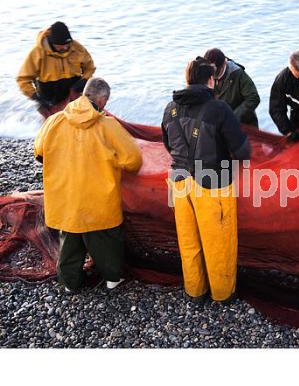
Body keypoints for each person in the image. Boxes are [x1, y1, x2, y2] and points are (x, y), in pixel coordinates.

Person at [34, 77, 142, 292]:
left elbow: (39, 152)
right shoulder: (108, 126)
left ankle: (70, 283)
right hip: (98, 201)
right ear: (102, 101)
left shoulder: (54, 121)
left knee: (69, 241)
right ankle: (112, 278)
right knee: (107, 240)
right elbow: (133, 161)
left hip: (65, 199)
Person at [161, 57, 251, 304]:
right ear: (210, 80)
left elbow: (168, 144)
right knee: (218, 243)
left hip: (179, 182)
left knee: (189, 242)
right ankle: (222, 295)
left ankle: (196, 292)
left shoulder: (170, 108)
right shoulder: (218, 109)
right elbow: (242, 150)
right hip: (212, 184)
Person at [17, 21, 96, 112]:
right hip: (49, 98)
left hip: (74, 93)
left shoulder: (77, 48)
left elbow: (90, 67)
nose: (65, 48)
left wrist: (84, 80)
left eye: (67, 45)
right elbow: (22, 79)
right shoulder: (38, 52)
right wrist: (35, 96)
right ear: (51, 42)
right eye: (60, 47)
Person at [203, 48, 261, 127]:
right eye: (210, 71)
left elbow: (253, 98)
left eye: (216, 71)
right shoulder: (204, 73)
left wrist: (232, 117)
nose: (212, 76)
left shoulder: (238, 74)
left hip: (243, 124)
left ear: (224, 63)